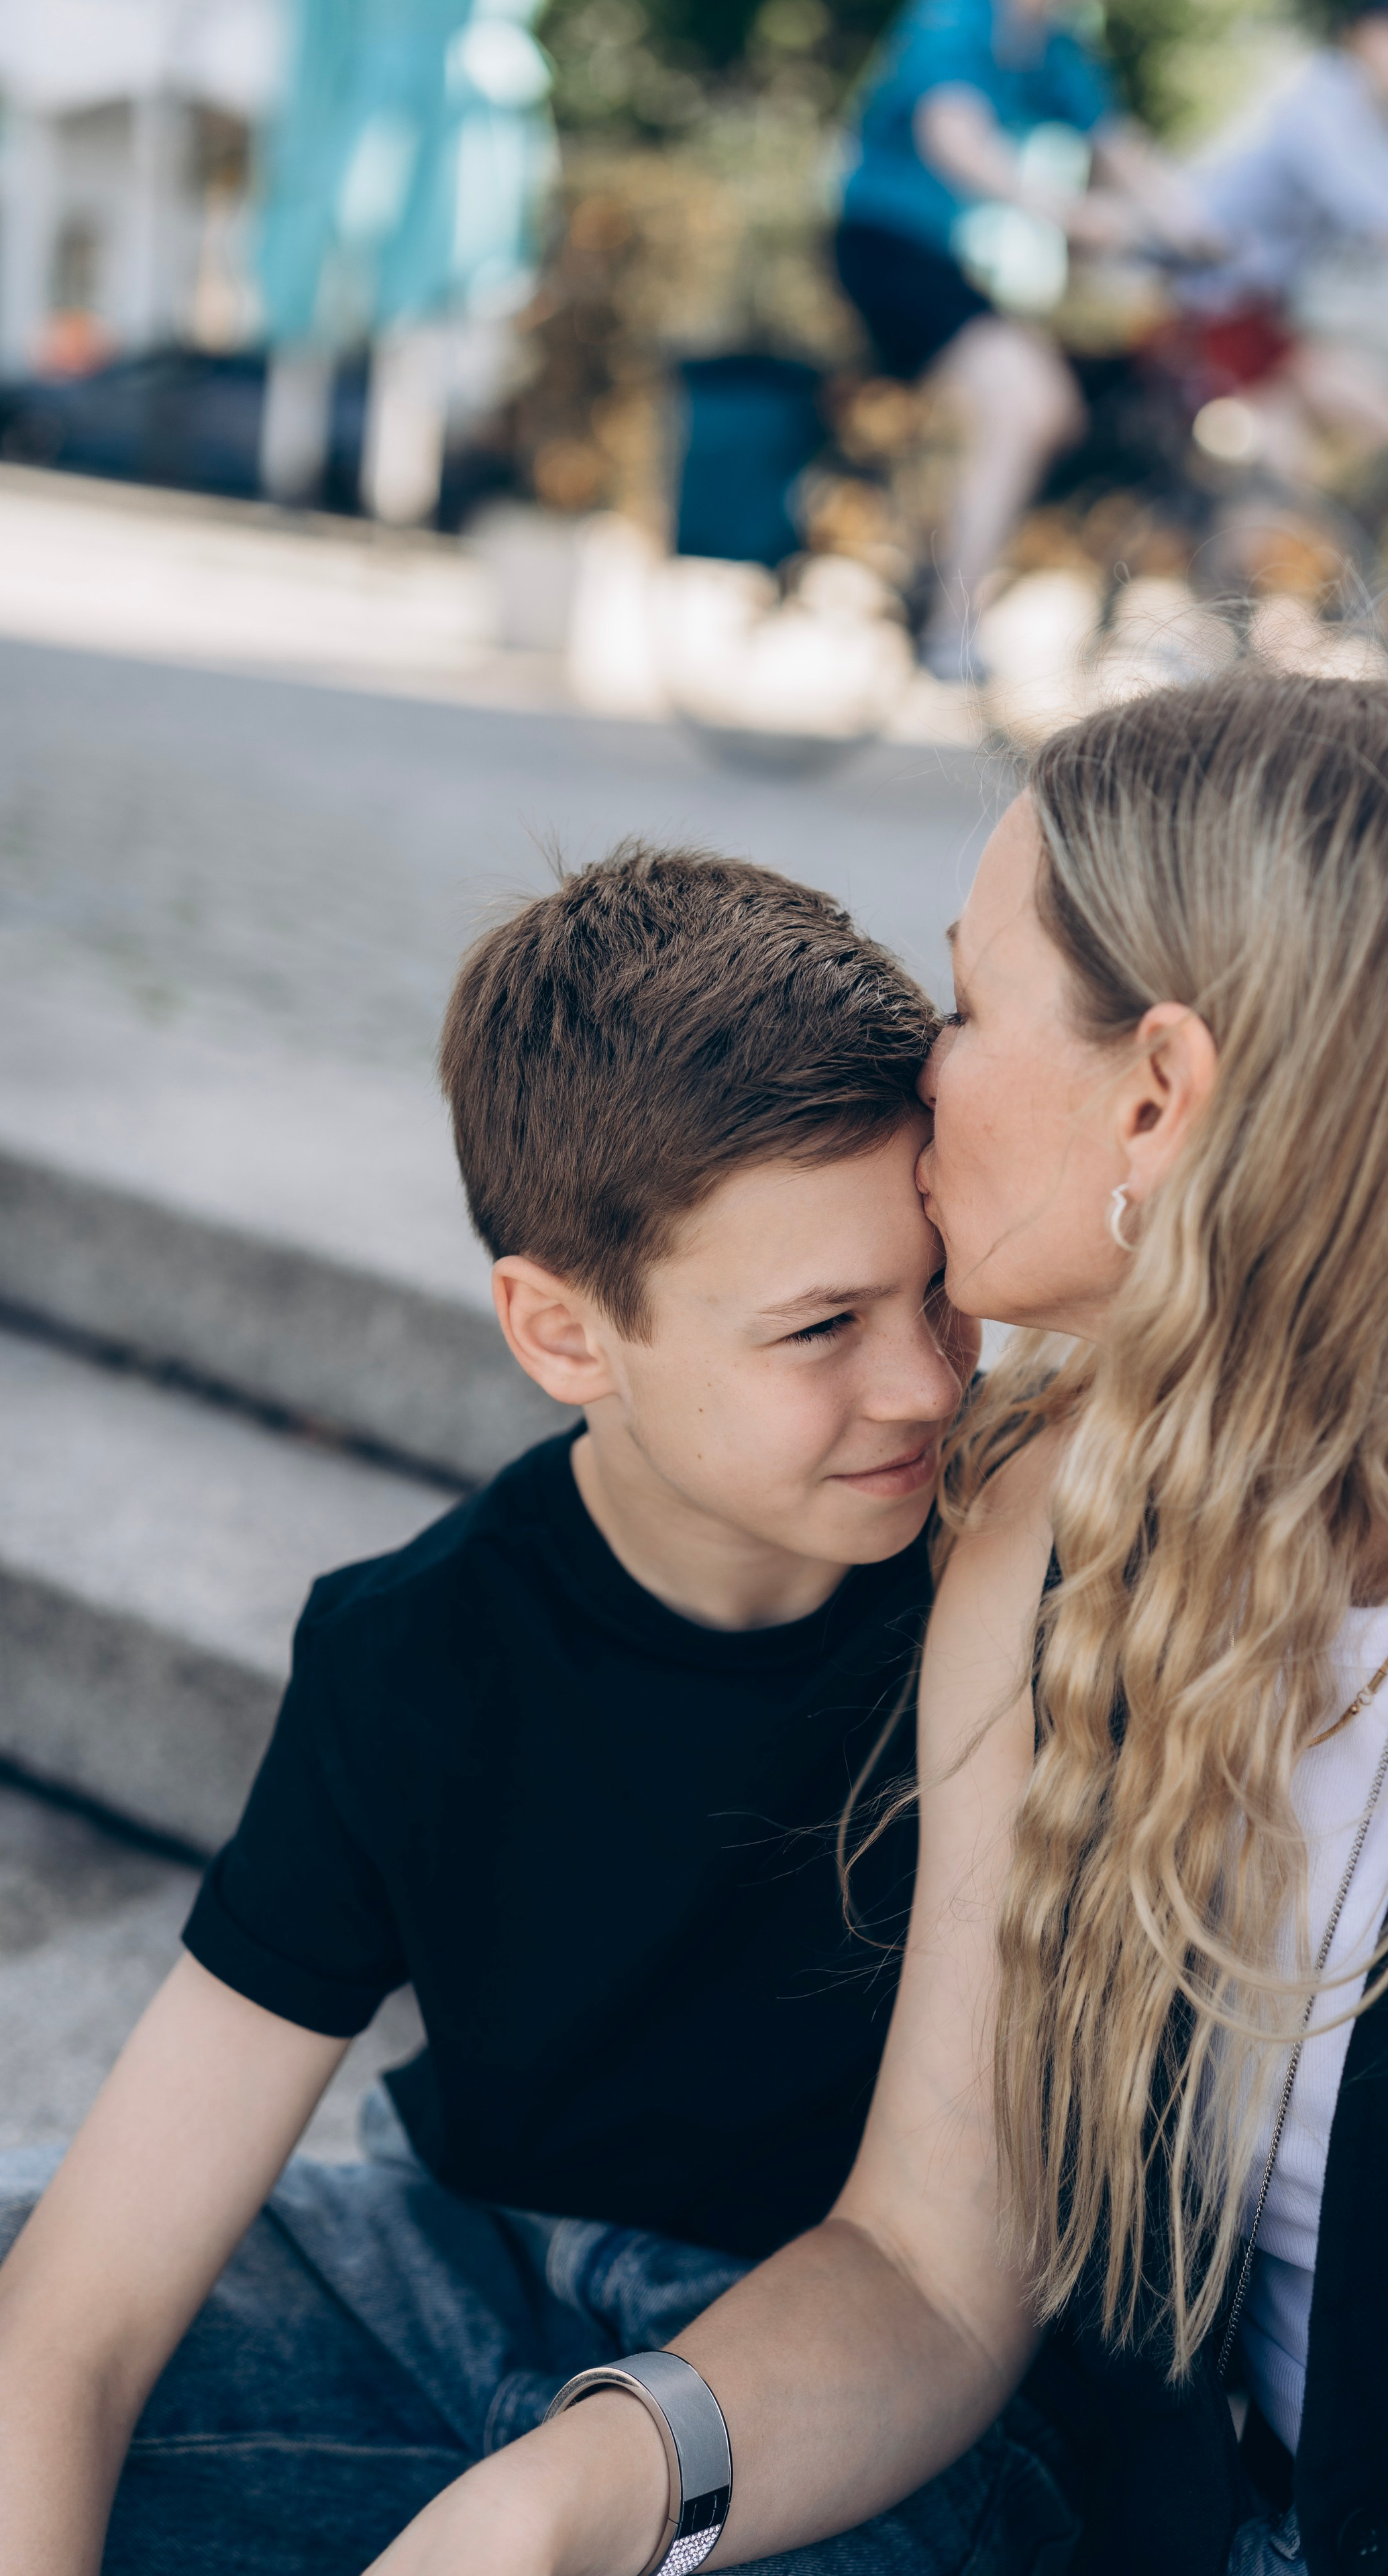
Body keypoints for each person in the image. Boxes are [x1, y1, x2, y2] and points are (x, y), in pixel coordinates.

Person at [364, 672, 1388, 2576]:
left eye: (972, 1002)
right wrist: (579, 2492)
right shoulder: (1046, 1519)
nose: (925, 1064)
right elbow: (930, 2265)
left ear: (1158, 1098)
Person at [0, 847, 1082, 2576]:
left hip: (843, 2410)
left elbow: (948, 2282)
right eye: (819, 1326)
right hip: (455, 2282)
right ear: (563, 1332)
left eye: (937, 1289)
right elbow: (82, 2307)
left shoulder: (1010, 1590)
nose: (923, 1381)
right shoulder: (412, 1654)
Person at [835, 0, 1214, 684]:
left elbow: (1120, 146)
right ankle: (950, 624)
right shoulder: (954, 20)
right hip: (884, 249)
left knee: (1056, 412)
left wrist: (1194, 226)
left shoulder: (1053, 48)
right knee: (1028, 404)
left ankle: (953, 560)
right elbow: (954, 138)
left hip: (947, 262)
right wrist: (1065, 211)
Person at [1172, 0, 1388, 470]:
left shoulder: (1386, 121)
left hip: (1260, 312)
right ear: (1367, 34)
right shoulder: (1321, 96)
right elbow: (1371, 202)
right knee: (1343, 436)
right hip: (1200, 299)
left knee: (1380, 427)